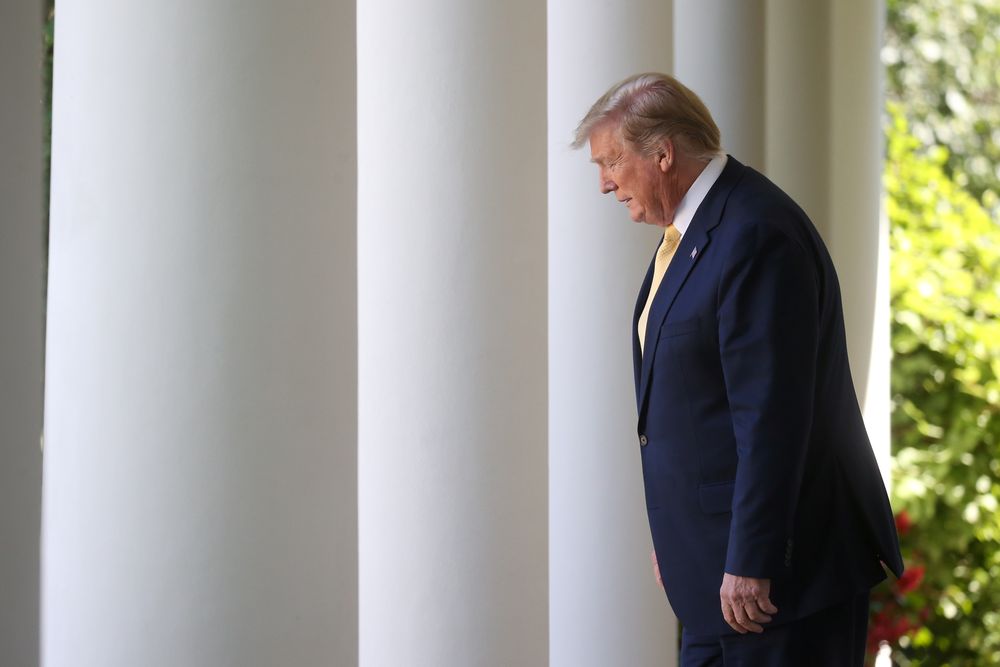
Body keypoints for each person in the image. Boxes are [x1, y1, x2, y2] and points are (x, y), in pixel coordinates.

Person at [573, 73, 904, 665]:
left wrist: (751, 559)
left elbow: (771, 416)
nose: (603, 183)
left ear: (663, 153)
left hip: (775, 586)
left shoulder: (755, 232)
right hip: (718, 580)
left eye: (611, 162)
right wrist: (680, 537)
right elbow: (701, 407)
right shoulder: (697, 232)